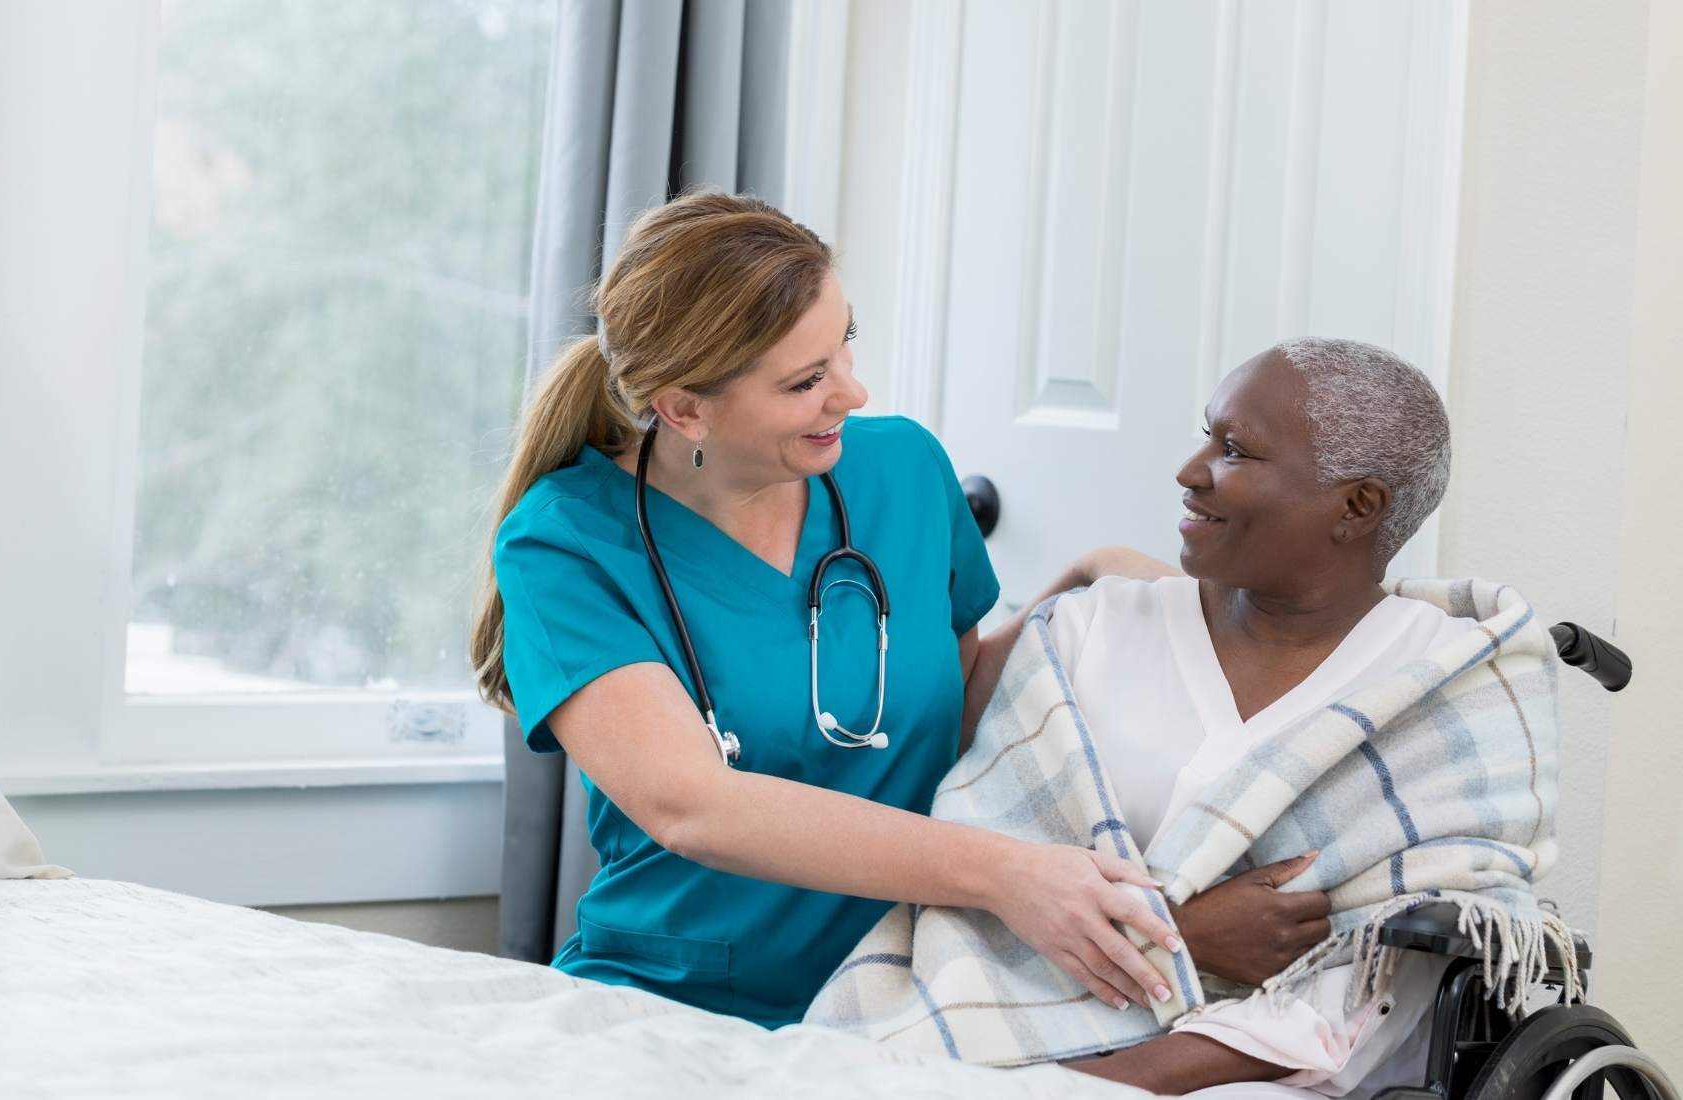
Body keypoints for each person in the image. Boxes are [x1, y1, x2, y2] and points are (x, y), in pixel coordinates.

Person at [469, 192, 1318, 1029]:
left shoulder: (904, 469)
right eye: (807, 381)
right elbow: (693, 805)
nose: (855, 392)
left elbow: (949, 704)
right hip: (683, 1005)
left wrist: (1080, 592)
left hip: (912, 991)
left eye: (846, 344)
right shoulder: (566, 545)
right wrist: (1010, 875)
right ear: (685, 408)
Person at [964, 339, 1483, 1097]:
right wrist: (1182, 934)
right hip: (1025, 1020)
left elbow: (1375, 989)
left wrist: (1076, 1086)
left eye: (1234, 450)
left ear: (1357, 506)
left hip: (1299, 1073)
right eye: (1207, 432)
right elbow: (976, 859)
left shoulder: (1441, 684)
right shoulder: (1091, 629)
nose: (1189, 470)